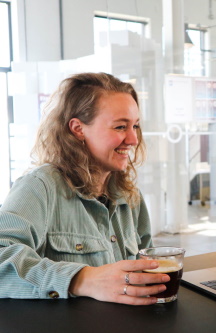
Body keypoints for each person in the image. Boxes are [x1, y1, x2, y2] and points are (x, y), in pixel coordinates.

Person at [0, 73, 168, 305]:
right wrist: (81, 279)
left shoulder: (130, 196)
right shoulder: (40, 187)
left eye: (135, 126)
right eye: (120, 126)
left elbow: (145, 266)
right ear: (78, 129)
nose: (133, 139)